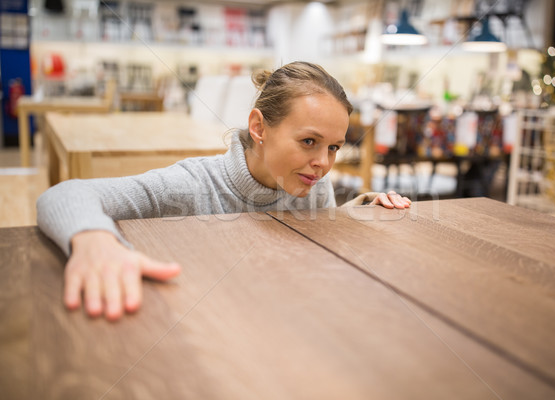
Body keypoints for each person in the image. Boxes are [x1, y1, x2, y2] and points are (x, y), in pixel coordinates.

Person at [37, 61, 411, 321]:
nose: (323, 163)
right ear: (259, 127)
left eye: (333, 147)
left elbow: (316, 245)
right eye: (309, 141)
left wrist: (360, 208)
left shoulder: (311, 185)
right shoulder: (192, 185)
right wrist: (93, 239)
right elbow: (64, 195)